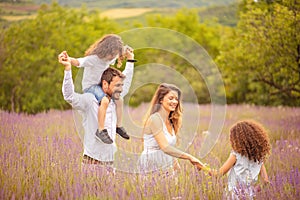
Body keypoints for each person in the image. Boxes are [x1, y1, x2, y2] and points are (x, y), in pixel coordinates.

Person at [58, 46, 134, 171]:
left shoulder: (115, 99)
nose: (121, 89)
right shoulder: (89, 100)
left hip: (111, 164)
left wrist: (130, 60)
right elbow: (69, 96)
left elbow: (127, 78)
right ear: (105, 84)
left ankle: (118, 128)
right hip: (92, 164)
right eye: (117, 85)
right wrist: (67, 69)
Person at [60, 34, 133, 144]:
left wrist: (128, 53)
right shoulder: (94, 59)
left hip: (101, 85)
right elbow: (79, 62)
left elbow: (122, 50)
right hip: (91, 87)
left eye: (114, 55)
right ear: (105, 50)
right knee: (104, 100)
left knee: (119, 100)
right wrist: (68, 59)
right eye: (111, 54)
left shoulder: (111, 57)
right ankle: (101, 130)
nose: (112, 57)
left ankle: (118, 126)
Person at [139, 83, 205, 174]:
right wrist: (190, 157)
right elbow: (165, 147)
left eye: (176, 99)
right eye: (171, 98)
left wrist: (176, 166)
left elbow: (170, 148)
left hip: (166, 165)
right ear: (161, 100)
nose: (174, 102)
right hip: (152, 164)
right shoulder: (155, 119)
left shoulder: (171, 121)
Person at [209, 120, 271, 199]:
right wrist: (254, 191)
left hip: (233, 195)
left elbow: (218, 174)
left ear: (238, 140)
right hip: (248, 195)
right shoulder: (259, 158)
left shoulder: (236, 155)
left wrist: (201, 166)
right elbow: (265, 181)